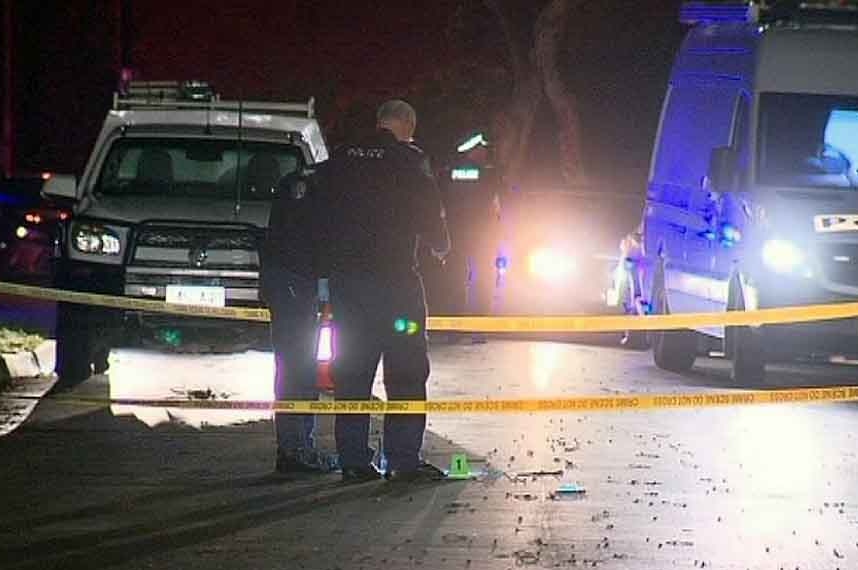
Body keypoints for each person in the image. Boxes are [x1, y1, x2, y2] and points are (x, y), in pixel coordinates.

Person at [314, 99, 450, 483]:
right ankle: (403, 459)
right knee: (406, 370)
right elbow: (431, 213)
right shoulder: (409, 161)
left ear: (379, 123)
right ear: (407, 125)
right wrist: (441, 247)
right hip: (396, 286)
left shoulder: (341, 159)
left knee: (353, 371)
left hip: (349, 286)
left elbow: (319, 214)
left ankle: (353, 460)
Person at [260, 170, 330, 476]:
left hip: (289, 284)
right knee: (297, 369)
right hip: (295, 285)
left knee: (297, 368)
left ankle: (298, 446)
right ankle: (295, 450)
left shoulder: (297, 183)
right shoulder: (320, 189)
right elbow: (321, 242)